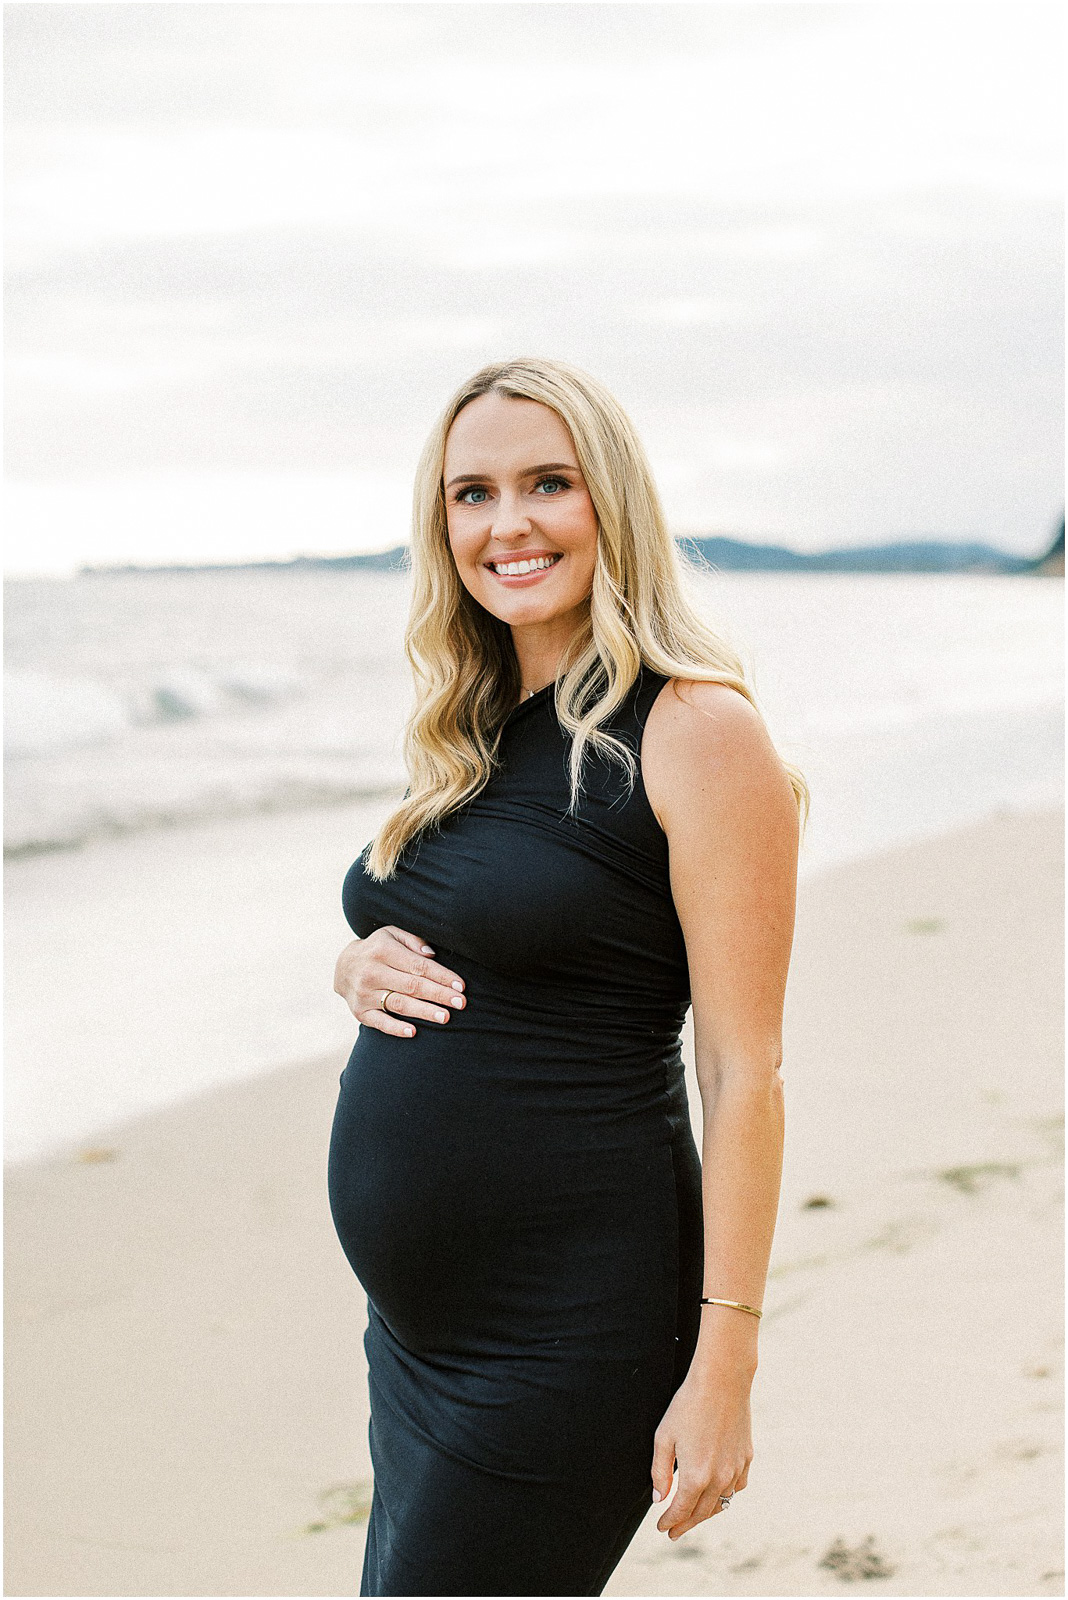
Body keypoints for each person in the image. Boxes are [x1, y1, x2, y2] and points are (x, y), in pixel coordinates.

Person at [328, 357, 804, 1597]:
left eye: (550, 482)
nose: (509, 523)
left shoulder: (698, 730)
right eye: (471, 494)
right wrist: (355, 962)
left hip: (567, 1331)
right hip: (419, 1343)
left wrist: (725, 1368)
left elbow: (745, 1067)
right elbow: (484, 930)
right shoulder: (474, 728)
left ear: (615, 503)